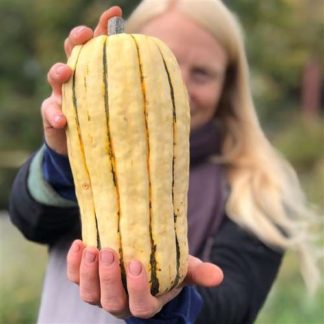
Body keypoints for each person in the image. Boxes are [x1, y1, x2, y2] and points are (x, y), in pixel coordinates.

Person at [9, 1, 320, 323]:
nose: (179, 87)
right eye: (161, 65)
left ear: (227, 86)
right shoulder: (86, 151)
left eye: (201, 73)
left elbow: (233, 307)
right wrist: (63, 158)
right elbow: (31, 220)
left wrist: (170, 308)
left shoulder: (261, 188)